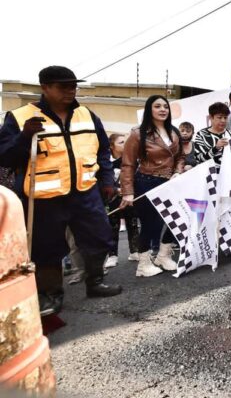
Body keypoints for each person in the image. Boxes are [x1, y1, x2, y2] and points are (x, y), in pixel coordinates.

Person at [0, 66, 122, 315]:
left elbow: (102, 151)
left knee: (99, 237)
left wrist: (107, 180)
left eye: (73, 85)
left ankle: (95, 282)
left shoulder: (87, 115)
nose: (70, 90)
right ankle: (52, 294)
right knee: (47, 248)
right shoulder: (20, 117)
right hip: (45, 198)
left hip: (85, 191)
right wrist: (24, 137)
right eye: (63, 86)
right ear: (45, 88)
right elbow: (4, 156)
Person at [120, 95, 186, 277]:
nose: (163, 109)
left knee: (178, 219)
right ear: (150, 109)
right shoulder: (137, 133)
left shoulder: (173, 131)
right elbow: (128, 164)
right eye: (158, 106)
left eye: (165, 106)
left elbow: (180, 156)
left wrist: (178, 172)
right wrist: (127, 192)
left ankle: (163, 256)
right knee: (151, 225)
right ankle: (143, 264)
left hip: (171, 182)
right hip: (147, 182)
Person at [105, 133, 140, 267]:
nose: (125, 144)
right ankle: (112, 255)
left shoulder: (131, 160)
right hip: (111, 200)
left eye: (126, 141)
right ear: (112, 146)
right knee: (112, 227)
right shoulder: (105, 163)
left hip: (130, 198)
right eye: (121, 142)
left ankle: (134, 251)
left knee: (132, 224)